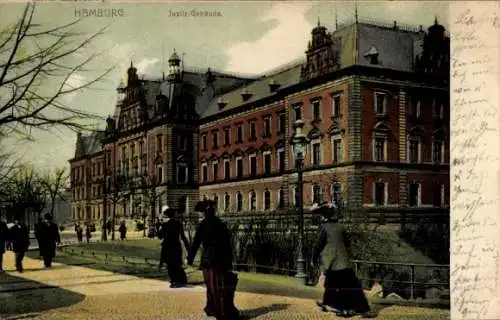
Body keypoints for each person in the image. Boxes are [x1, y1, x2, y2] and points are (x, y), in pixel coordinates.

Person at [311, 202, 374, 318]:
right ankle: (365, 310)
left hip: (334, 262)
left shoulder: (324, 228)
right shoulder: (341, 226)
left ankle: (345, 309)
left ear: (324, 216)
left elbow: (317, 245)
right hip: (344, 260)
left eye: (320, 215)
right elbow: (347, 243)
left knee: (337, 286)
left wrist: (313, 258)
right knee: (351, 286)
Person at [187, 200, 239, 320]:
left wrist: (190, 258)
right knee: (220, 285)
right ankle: (214, 308)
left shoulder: (203, 225)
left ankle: (219, 312)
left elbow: (195, 243)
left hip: (209, 259)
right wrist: (230, 260)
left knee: (212, 286)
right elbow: (227, 244)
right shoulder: (221, 224)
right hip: (222, 259)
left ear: (205, 213)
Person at [158, 206, 190, 288]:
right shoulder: (178, 224)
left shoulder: (165, 225)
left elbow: (160, 236)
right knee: (177, 264)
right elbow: (183, 236)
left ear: (167, 215)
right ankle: (180, 280)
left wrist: (159, 225)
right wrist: (188, 247)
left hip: (168, 246)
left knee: (170, 265)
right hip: (176, 245)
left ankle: (174, 280)